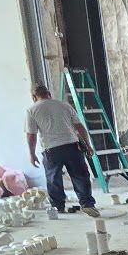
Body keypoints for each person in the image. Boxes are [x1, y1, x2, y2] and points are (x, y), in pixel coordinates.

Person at [24, 84, 99, 217]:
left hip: (51, 150)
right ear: (49, 94)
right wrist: (87, 145)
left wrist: (31, 153)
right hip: (72, 146)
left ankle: (58, 207)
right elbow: (79, 127)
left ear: (34, 97)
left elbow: (31, 134)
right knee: (80, 176)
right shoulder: (64, 105)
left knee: (54, 179)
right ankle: (87, 204)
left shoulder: (32, 110)